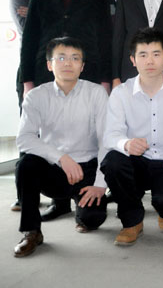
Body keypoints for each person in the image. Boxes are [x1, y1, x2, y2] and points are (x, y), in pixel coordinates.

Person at [14, 37, 109, 257]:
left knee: (93, 219)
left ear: (82, 66)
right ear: (50, 65)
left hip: (87, 168)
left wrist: (99, 184)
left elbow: (106, 140)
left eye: (75, 58)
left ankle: (80, 210)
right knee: (26, 165)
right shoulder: (36, 96)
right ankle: (32, 231)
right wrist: (61, 158)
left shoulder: (96, 93)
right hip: (54, 169)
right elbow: (24, 138)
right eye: (61, 58)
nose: (68, 63)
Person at [101, 28, 163, 246]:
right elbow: (110, 135)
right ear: (133, 60)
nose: (149, 61)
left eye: (156, 54)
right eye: (143, 55)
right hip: (137, 162)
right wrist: (126, 143)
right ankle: (131, 221)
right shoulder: (121, 93)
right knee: (113, 161)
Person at [20, 0, 112, 94]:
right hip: (46, 73)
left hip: (88, 73)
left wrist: (105, 80)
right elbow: (29, 40)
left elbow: (105, 40)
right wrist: (27, 81)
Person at [9, 0, 58, 212]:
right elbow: (27, 29)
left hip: (62, 70)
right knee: (29, 129)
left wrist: (37, 13)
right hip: (32, 69)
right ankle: (25, 194)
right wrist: (55, 19)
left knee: (59, 129)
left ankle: (59, 192)